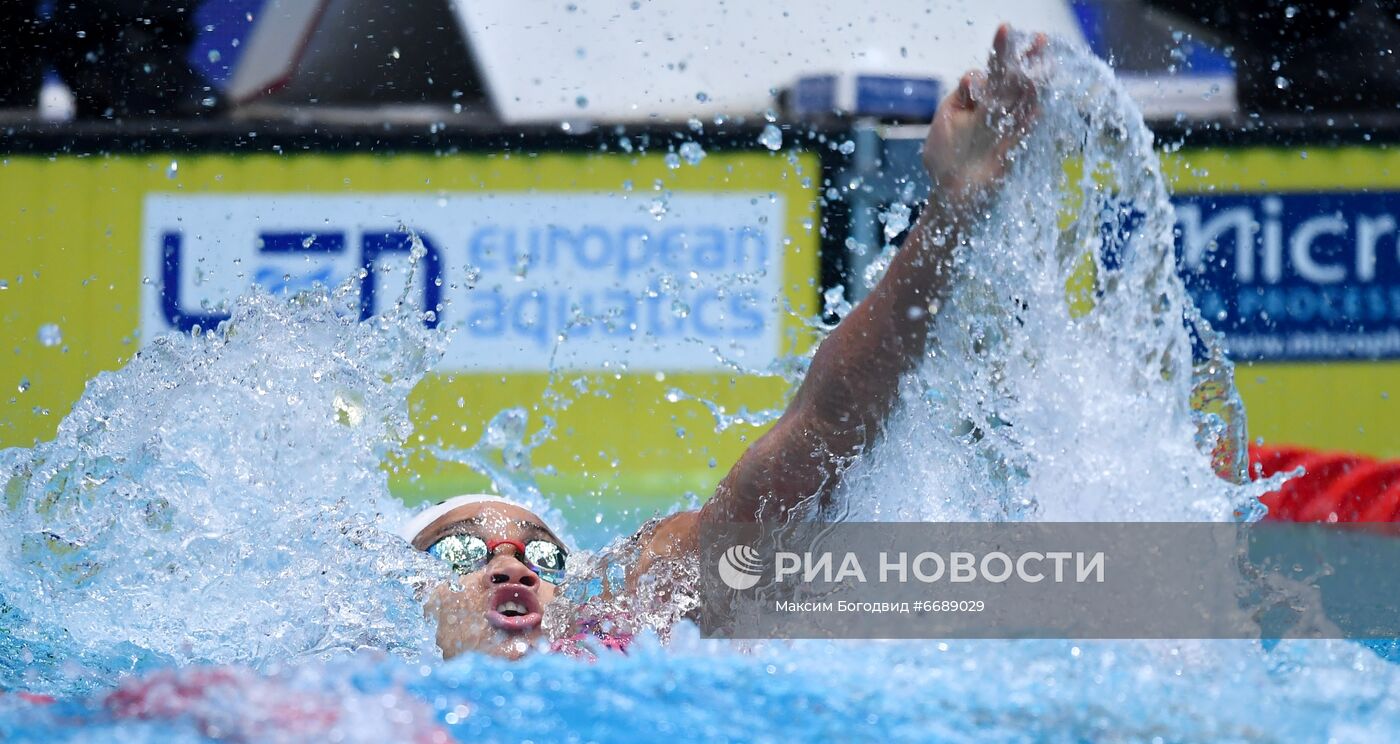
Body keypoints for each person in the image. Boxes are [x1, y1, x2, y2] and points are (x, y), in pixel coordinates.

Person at [400, 24, 1048, 660]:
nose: (515, 570)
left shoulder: (609, 628)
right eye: (458, 552)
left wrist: (953, 209)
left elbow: (811, 444)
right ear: (395, 603)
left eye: (545, 556)